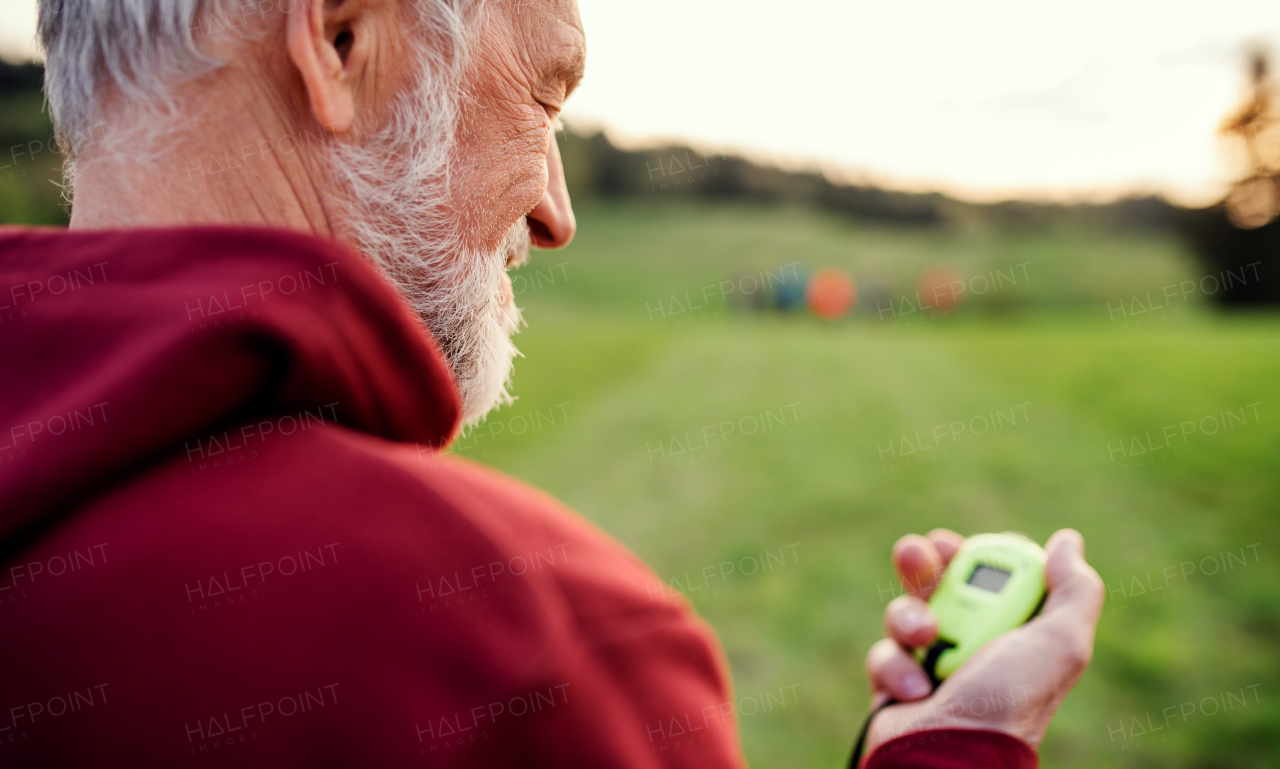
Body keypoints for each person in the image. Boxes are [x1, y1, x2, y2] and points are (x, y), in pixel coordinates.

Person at [0, 0, 1104, 766]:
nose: (555, 214)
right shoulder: (530, 648)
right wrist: (954, 754)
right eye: (543, 95)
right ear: (339, 41)